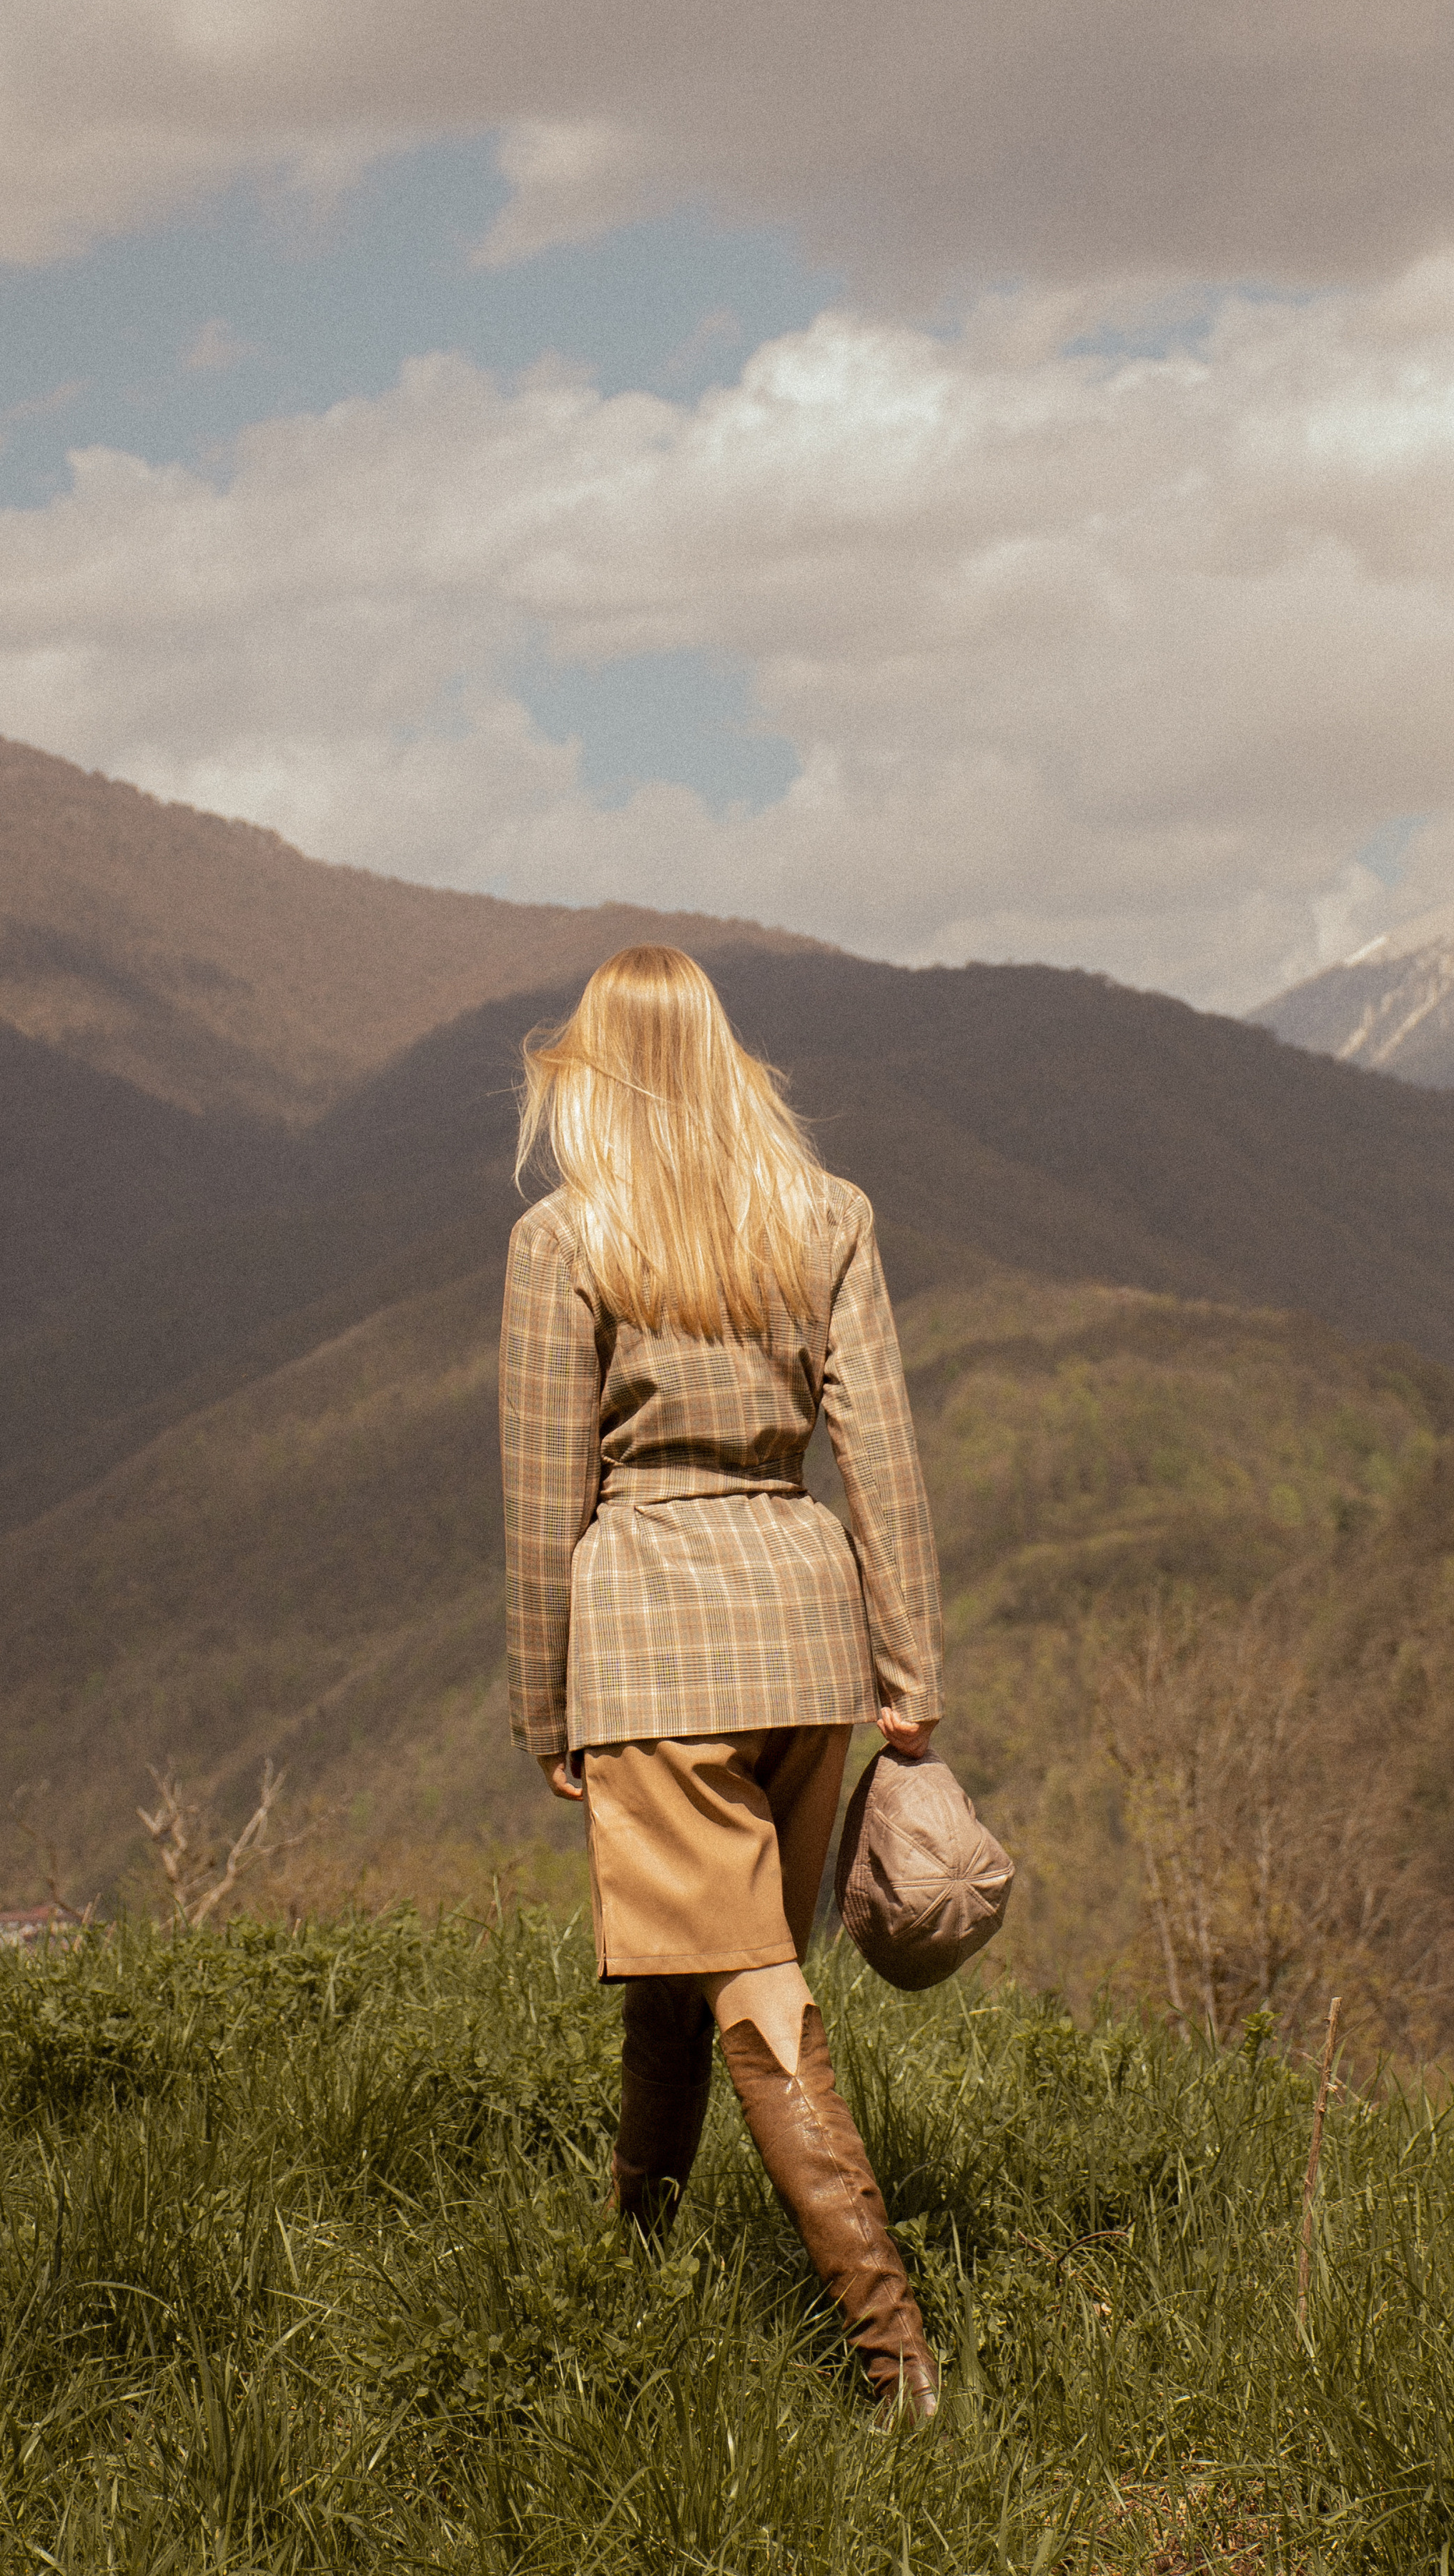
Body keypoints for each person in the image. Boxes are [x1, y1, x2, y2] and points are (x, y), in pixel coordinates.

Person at [498, 943, 944, 2420]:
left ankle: (892, 2356)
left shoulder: (567, 1240)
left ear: (592, 1078)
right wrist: (909, 1675)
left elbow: (538, 1490)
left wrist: (540, 1699)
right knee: (698, 1963)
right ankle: (633, 2266)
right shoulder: (825, 1218)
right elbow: (878, 1455)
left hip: (647, 1647)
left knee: (743, 1980)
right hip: (806, 1637)